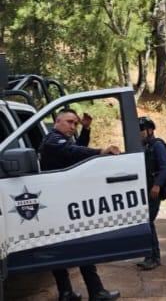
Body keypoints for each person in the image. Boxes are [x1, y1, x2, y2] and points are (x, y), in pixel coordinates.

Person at [39, 109, 120, 301]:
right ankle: (95, 292)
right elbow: (73, 151)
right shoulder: (52, 140)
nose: (72, 126)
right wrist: (100, 151)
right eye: (69, 122)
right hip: (60, 204)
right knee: (82, 245)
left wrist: (86, 129)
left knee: (62, 247)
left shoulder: (59, 140)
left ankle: (68, 293)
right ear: (57, 121)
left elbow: (76, 150)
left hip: (60, 203)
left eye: (75, 123)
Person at [136, 116, 166, 271]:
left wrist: (157, 185)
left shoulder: (157, 146)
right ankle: (149, 255)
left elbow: (165, 167)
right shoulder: (145, 147)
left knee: (148, 222)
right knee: (145, 223)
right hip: (145, 191)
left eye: (141, 131)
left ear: (149, 130)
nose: (139, 134)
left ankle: (154, 258)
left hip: (153, 191)